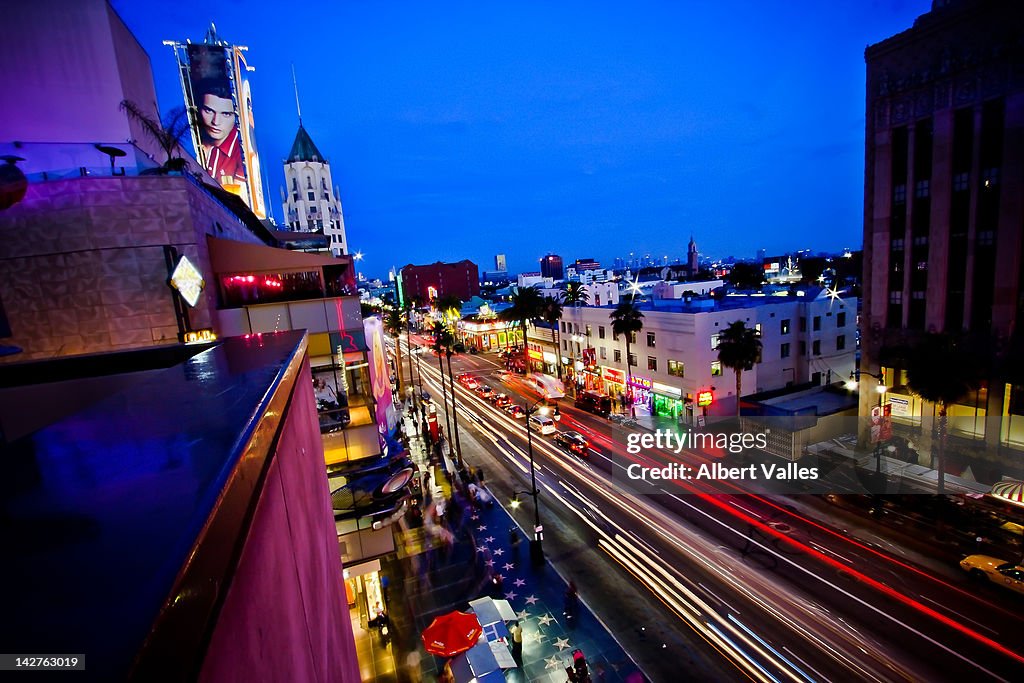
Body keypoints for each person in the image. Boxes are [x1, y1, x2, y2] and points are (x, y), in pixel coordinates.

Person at [194, 78, 245, 187]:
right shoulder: (191, 141)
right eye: (209, 111)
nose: (216, 122)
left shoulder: (242, 151)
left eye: (226, 114)